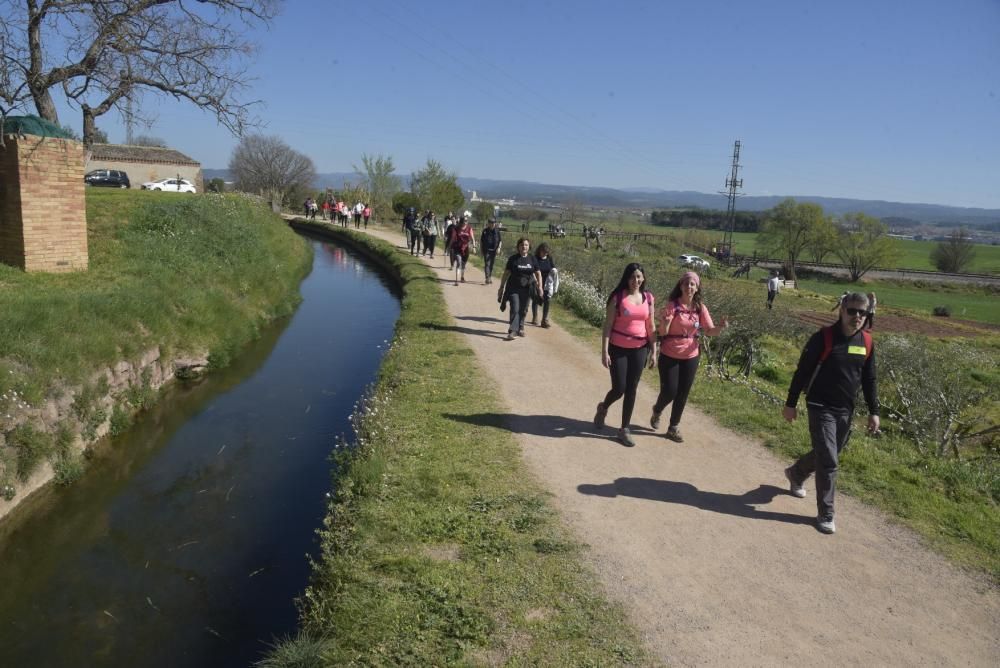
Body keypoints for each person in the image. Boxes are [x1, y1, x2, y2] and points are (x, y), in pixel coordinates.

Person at [782, 292, 879, 535]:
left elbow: (869, 379)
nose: (857, 316)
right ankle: (826, 513)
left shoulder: (867, 342)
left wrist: (874, 411)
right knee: (829, 460)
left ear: (867, 315)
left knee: (828, 453)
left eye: (862, 312)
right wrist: (790, 403)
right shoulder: (822, 338)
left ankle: (796, 473)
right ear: (842, 310)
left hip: (846, 409)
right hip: (819, 405)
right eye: (852, 311)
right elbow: (802, 372)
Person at [650, 271, 728, 442]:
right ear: (681, 286)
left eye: (693, 284)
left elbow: (709, 331)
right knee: (670, 391)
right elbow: (662, 332)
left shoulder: (700, 308)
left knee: (683, 393)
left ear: (697, 287)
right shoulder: (672, 305)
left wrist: (720, 327)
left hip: (691, 355)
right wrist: (666, 321)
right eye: (686, 284)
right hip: (669, 353)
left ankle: (673, 427)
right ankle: (657, 409)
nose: (689, 287)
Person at [594, 263, 656, 447]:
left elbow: (651, 326)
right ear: (626, 278)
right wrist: (604, 351)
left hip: (640, 348)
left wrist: (654, 350)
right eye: (632, 277)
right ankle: (603, 407)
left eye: (638, 277)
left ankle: (624, 429)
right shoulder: (617, 298)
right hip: (618, 348)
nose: (635, 281)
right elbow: (607, 326)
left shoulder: (648, 298)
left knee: (632, 388)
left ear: (643, 278)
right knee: (619, 387)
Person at [497, 238, 543, 340]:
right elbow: (506, 273)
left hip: (527, 288)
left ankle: (521, 327)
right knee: (515, 307)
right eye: (522, 245)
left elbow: (538, 273)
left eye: (526, 245)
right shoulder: (513, 259)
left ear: (529, 247)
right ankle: (513, 330)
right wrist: (501, 287)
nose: (524, 247)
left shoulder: (532, 259)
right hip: (513, 287)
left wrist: (540, 287)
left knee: (524, 309)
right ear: (518, 247)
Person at [531, 243, 556, 327]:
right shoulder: (535, 258)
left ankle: (544, 320)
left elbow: (553, 267)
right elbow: (532, 270)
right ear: (539, 251)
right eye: (543, 252)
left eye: (546, 252)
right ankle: (535, 317)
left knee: (547, 300)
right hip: (536, 280)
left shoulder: (549, 259)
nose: (545, 254)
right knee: (536, 298)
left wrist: (554, 271)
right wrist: (537, 282)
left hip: (547, 282)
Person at [448, 215, 475, 285]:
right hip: (457, 248)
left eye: (466, 221)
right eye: (464, 221)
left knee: (463, 264)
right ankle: (456, 280)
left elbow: (472, 238)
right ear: (461, 222)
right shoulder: (456, 229)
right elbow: (452, 238)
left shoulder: (469, 228)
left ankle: (462, 276)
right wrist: (449, 246)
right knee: (459, 262)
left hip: (466, 249)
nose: (465, 223)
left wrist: (474, 247)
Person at [480, 217, 503, 284]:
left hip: (494, 250)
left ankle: (489, 277)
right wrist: (481, 250)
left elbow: (500, 241)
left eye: (493, 223)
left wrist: (499, 248)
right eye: (491, 223)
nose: (492, 224)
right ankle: (487, 278)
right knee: (487, 264)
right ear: (488, 223)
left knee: (491, 265)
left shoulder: (497, 231)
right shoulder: (485, 231)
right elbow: (481, 241)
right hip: (486, 250)